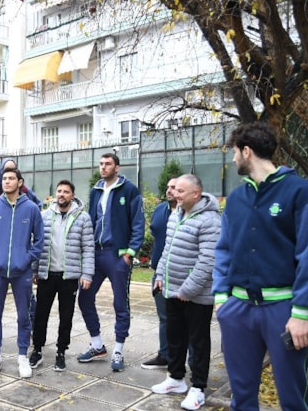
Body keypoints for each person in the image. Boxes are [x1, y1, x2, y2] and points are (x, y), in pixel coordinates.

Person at [213, 121, 308, 411]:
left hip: (283, 312)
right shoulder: (237, 198)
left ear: (247, 151)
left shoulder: (301, 192)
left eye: (235, 152)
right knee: (241, 396)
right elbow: (224, 248)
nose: (233, 158)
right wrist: (221, 298)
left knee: (292, 397)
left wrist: (301, 312)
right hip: (237, 310)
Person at [151, 174, 220, 411]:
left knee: (198, 341)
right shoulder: (176, 214)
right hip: (172, 290)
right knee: (175, 337)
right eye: (174, 190)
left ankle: (198, 388)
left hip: (196, 294)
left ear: (196, 194)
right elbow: (166, 249)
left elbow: (208, 260)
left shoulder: (210, 220)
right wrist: (160, 275)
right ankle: (175, 379)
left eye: (180, 191)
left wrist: (188, 289)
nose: (175, 194)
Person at [77, 152, 145, 372]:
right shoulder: (95, 190)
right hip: (95, 255)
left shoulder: (129, 190)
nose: (103, 167)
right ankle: (97, 345)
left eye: (108, 164)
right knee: (84, 297)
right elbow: (90, 222)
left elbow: (138, 223)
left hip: (118, 256)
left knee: (120, 304)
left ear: (117, 167)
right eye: (101, 164)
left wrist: (130, 254)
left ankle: (118, 350)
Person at [0, 167, 44, 378]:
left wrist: (26, 258)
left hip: (21, 271)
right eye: (4, 178)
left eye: (11, 178)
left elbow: (40, 241)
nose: (6, 182)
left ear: (19, 182)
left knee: (24, 316)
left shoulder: (31, 208)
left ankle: (23, 356)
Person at [30, 179, 94, 372]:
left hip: (70, 276)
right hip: (47, 275)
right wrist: (35, 269)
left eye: (66, 192)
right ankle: (38, 350)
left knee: (66, 317)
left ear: (72, 195)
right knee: (41, 315)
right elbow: (36, 244)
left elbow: (88, 248)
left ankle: (61, 352)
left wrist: (87, 274)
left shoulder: (83, 218)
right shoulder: (44, 216)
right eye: (59, 191)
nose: (62, 195)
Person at [141, 178, 177, 369]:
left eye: (174, 187)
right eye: (168, 187)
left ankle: (192, 362)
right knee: (164, 317)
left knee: (187, 320)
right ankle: (165, 355)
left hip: (182, 273)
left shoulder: (188, 213)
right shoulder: (160, 210)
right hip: (159, 273)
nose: (169, 190)